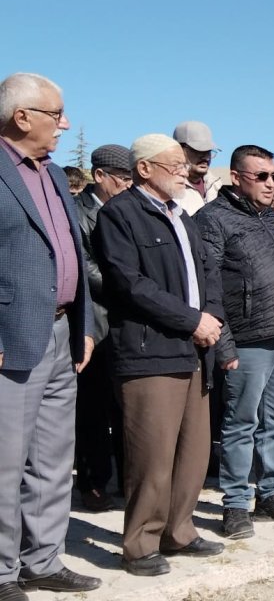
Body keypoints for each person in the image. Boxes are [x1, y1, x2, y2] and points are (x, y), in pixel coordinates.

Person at [94, 133, 226, 576]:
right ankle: (140, 544)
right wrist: (193, 320)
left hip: (195, 350)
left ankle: (179, 531)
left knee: (193, 452)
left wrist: (211, 317)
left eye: (185, 164)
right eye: (175, 163)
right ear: (144, 168)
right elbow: (130, 285)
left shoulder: (180, 215)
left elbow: (207, 273)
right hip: (150, 352)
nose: (184, 170)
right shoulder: (120, 214)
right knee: (151, 455)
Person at [0, 72, 101, 596]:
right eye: (55, 113)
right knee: (4, 462)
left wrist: (83, 324)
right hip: (11, 338)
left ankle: (43, 560)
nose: (64, 123)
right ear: (22, 117)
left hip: (63, 334)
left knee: (53, 459)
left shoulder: (55, 175)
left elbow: (72, 254)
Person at [195, 145, 274, 539]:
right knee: (240, 423)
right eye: (261, 176)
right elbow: (208, 287)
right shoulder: (213, 220)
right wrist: (224, 345)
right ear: (236, 177)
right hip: (246, 340)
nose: (270, 183)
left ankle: (272, 493)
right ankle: (234, 504)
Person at [72, 144, 132, 514]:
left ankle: (130, 477)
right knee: (92, 408)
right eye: (122, 179)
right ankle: (93, 482)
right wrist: (128, 286)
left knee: (127, 406)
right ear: (99, 176)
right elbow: (84, 267)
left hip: (129, 321)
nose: (128, 185)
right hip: (96, 320)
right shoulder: (78, 213)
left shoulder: (129, 210)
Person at [172, 121, 221, 215]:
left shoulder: (217, 187)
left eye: (208, 151)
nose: (206, 157)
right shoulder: (169, 189)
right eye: (199, 150)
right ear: (179, 149)